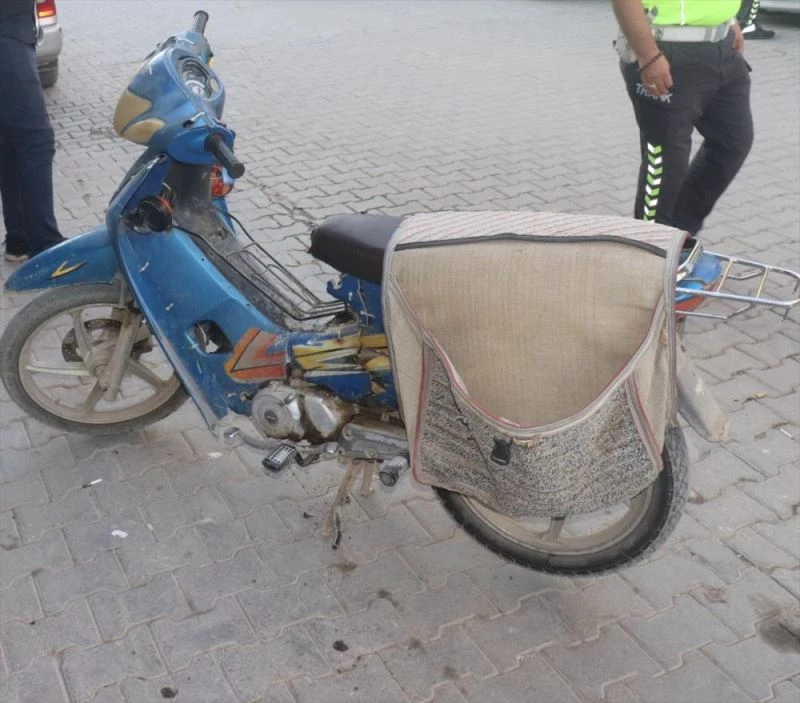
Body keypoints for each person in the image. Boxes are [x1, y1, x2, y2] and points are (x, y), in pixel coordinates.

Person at [612, 0, 753, 236]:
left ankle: (677, 233)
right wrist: (648, 54)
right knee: (665, 162)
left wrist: (730, 21)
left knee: (733, 143)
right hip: (665, 50)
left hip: (722, 46)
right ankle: (649, 245)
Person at [0, 0, 65, 262]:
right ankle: (46, 248)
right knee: (36, 142)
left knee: (9, 144)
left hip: (11, 36)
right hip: (7, 41)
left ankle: (20, 239)